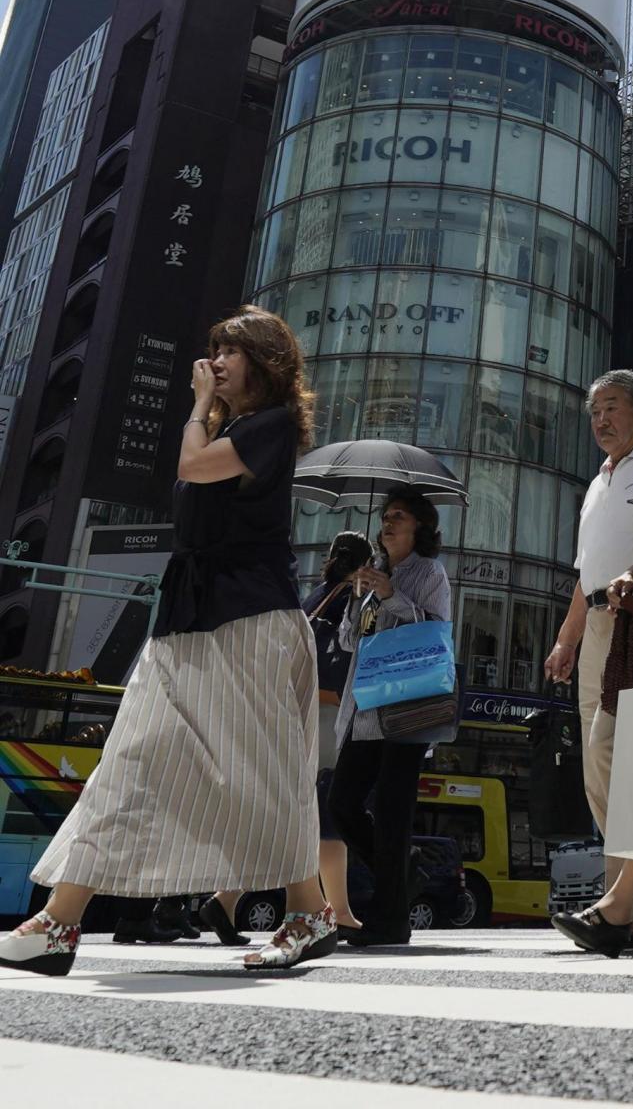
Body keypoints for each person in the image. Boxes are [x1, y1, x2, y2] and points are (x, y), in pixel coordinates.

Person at [4, 309, 332, 977]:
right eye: (215, 348)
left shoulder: (268, 427)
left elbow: (192, 466)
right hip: (188, 620)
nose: (216, 361)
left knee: (263, 770)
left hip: (248, 621)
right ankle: (59, 921)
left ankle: (308, 911)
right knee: (131, 756)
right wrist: (208, 413)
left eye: (231, 351)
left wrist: (199, 407)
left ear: (266, 364)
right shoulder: (234, 428)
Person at [544, 371, 633, 895]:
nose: (601, 420)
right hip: (595, 628)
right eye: (594, 412)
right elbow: (586, 573)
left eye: (612, 407)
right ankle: (628, 884)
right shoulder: (597, 483)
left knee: (620, 750)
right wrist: (566, 640)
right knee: (597, 764)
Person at [327, 487, 455, 948]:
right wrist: (357, 599)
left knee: (392, 812)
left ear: (420, 526)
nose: (388, 522)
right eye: (386, 515)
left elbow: (437, 633)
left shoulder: (429, 573)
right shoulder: (373, 571)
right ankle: (405, 868)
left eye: (399, 515)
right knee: (342, 804)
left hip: (408, 708)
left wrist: (392, 595)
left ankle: (391, 919)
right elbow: (349, 642)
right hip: (364, 708)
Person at [306, 529, 374, 936]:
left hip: (298, 710)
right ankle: (341, 912)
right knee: (331, 812)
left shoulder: (314, 598)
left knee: (297, 812)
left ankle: (225, 901)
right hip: (331, 714)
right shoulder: (353, 597)